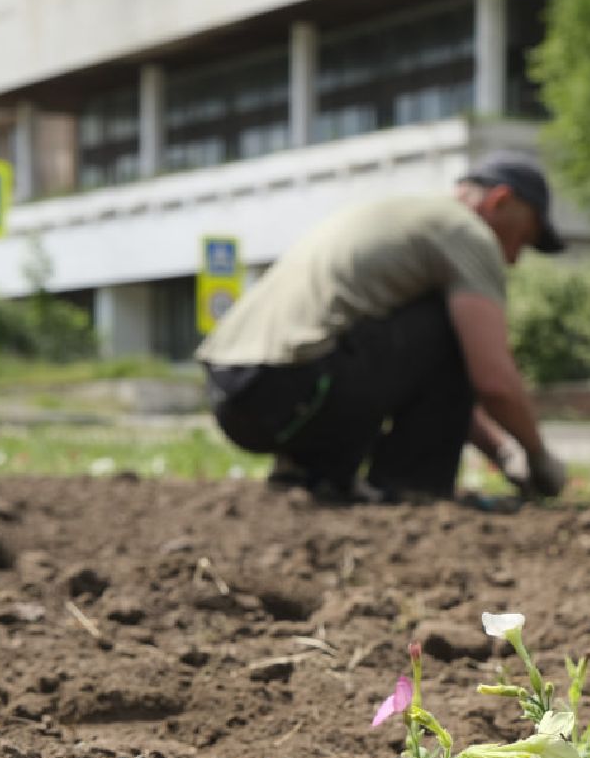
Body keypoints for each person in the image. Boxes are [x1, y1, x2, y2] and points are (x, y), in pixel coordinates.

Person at [196, 152, 569, 503]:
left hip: (234, 394)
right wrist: (538, 456)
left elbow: (426, 381)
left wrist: (502, 451)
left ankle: (310, 471)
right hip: (291, 389)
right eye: (524, 237)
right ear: (499, 201)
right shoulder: (467, 233)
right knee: (453, 328)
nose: (515, 258)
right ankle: (412, 488)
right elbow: (492, 381)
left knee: (410, 329)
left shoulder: (403, 216)